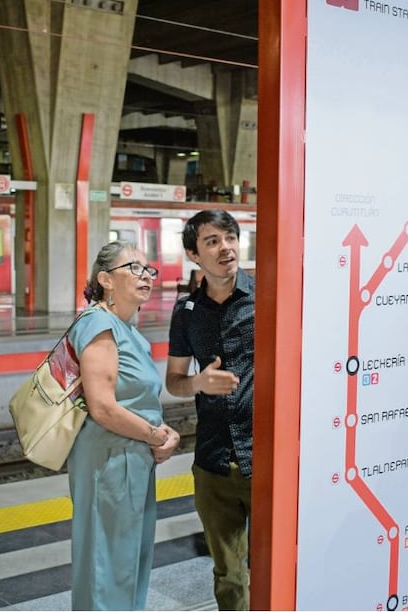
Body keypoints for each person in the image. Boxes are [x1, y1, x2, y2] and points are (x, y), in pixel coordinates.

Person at [68, 241, 181, 610]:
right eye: (134, 268)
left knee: (129, 558)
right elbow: (102, 407)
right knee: (107, 562)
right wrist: (155, 435)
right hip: (109, 458)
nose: (146, 276)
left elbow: (139, 400)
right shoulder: (99, 323)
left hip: (131, 457)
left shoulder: (128, 330)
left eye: (148, 270)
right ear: (105, 279)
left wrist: (162, 432)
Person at [166, 209, 254, 611]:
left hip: (269, 458)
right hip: (214, 461)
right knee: (229, 576)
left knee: (280, 565)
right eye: (213, 241)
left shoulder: (269, 295)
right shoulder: (185, 313)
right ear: (193, 255)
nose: (226, 248)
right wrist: (198, 384)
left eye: (231, 237)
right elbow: (174, 381)